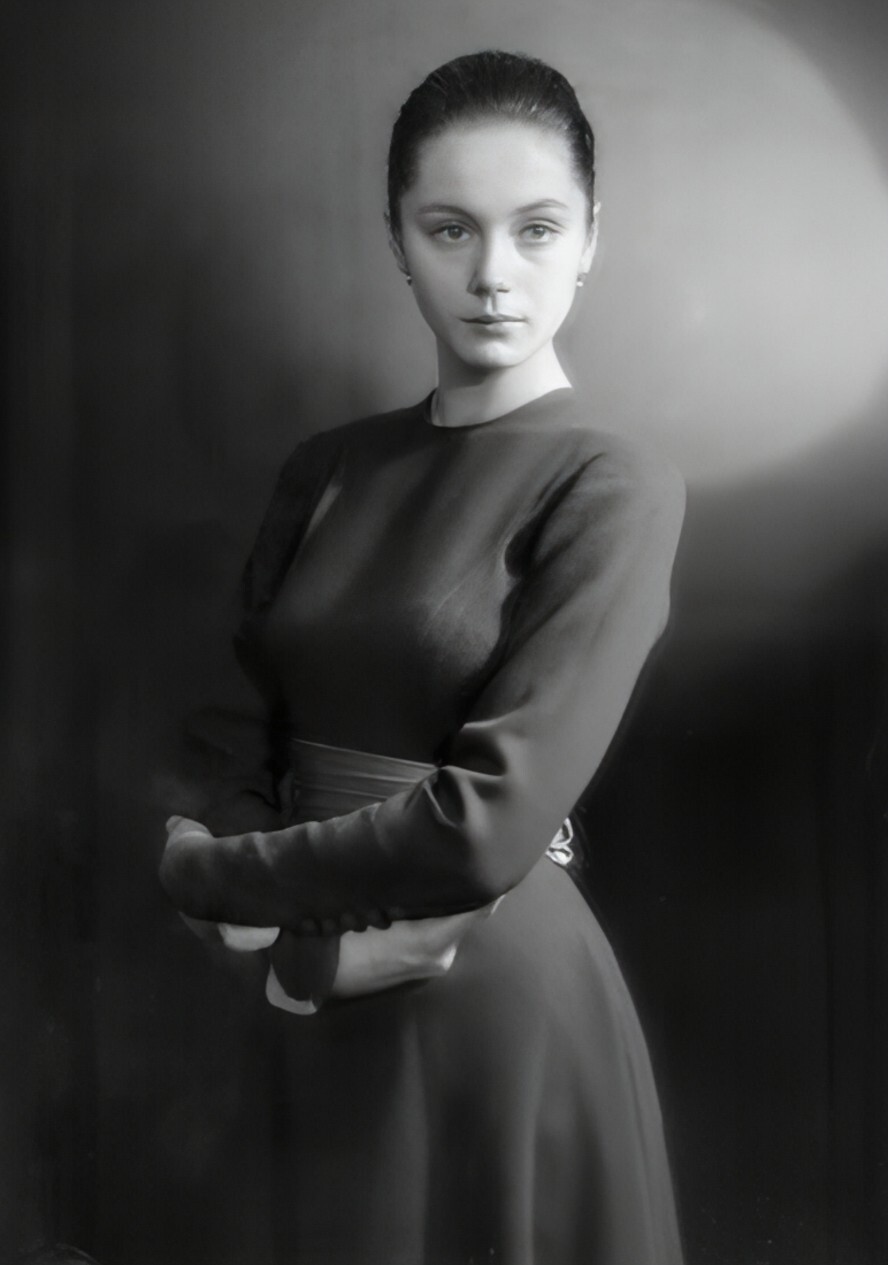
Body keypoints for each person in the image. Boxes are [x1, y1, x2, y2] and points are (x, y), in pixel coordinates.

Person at [160, 49, 686, 1265]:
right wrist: (304, 960)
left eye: (536, 228)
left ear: (591, 239)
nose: (493, 274)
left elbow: (487, 826)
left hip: (478, 987)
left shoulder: (613, 481)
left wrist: (218, 885)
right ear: (397, 239)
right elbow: (231, 728)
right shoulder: (327, 467)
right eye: (450, 228)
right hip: (307, 985)